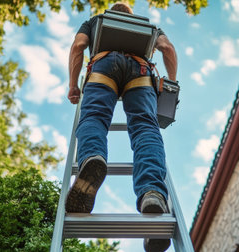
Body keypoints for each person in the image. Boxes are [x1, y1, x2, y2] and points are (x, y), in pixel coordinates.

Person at [65, 2, 177, 251]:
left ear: (111, 15)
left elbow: (78, 47)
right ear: (130, 16)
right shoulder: (148, 26)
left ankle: (92, 158)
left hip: (102, 67)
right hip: (140, 70)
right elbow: (167, 49)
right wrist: (171, 83)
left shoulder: (94, 21)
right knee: (145, 128)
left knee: (93, 117)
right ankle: (152, 193)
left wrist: (73, 84)